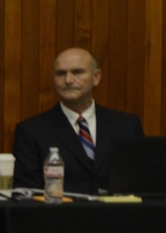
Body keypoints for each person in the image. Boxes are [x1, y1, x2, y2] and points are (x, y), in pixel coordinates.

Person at [13, 47, 144, 195]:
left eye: (77, 72)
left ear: (96, 77)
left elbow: (142, 184)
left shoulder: (127, 126)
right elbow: (26, 193)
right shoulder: (32, 131)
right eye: (61, 73)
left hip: (118, 216)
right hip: (59, 216)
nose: (68, 80)